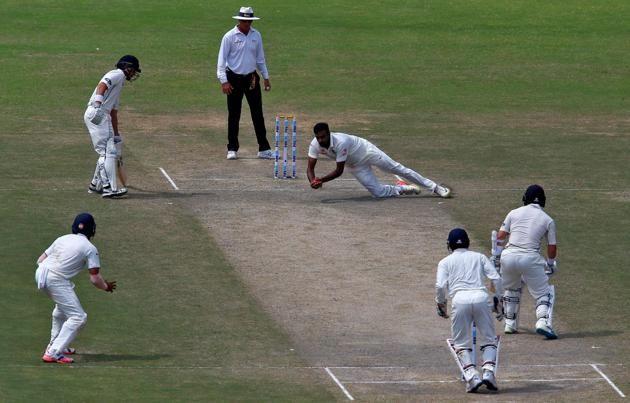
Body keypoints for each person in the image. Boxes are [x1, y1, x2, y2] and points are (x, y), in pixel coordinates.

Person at [35, 213, 116, 364]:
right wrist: (106, 287)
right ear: (92, 230)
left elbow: (40, 260)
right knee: (79, 317)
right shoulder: (90, 248)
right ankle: (53, 352)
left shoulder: (62, 238)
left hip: (40, 274)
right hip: (55, 279)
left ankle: (59, 344)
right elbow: (94, 278)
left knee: (61, 310)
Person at [436, 228, 503, 393]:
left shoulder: (445, 262)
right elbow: (496, 278)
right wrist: (497, 299)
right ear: (468, 242)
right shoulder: (479, 256)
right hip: (481, 298)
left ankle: (472, 376)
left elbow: (440, 286)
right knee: (489, 338)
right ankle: (488, 373)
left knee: (460, 343)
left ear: (449, 245)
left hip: (459, 300)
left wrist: (441, 305)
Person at [307, 122, 451, 198]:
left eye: (323, 137)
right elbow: (310, 168)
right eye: (318, 137)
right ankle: (402, 188)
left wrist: (321, 181)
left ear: (329, 133)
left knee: (397, 168)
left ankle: (435, 187)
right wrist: (313, 181)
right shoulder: (315, 144)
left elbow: (339, 171)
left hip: (367, 152)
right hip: (354, 165)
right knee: (378, 193)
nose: (321, 140)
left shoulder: (341, 142)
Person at [491, 184, 558, 339]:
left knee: (512, 289)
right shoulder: (548, 220)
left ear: (525, 199)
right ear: (543, 201)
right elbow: (552, 247)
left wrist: (496, 257)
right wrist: (550, 264)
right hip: (530, 258)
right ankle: (542, 321)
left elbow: (500, 237)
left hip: (508, 256)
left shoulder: (513, 213)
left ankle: (510, 324)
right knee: (544, 293)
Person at [217, 6, 274, 161]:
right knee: (234, 115)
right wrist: (224, 81)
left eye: (249, 21)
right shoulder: (229, 37)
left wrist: (266, 77)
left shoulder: (256, 36)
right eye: (245, 21)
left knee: (257, 113)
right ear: (239, 20)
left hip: (251, 79)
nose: (247, 24)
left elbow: (260, 58)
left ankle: (264, 148)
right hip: (233, 79)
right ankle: (232, 148)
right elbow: (221, 62)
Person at [84, 55, 141, 198]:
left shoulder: (119, 85)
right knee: (108, 153)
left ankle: (95, 184)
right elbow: (102, 85)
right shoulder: (117, 74)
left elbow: (114, 113)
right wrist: (98, 104)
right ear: (127, 67)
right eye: (133, 70)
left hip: (102, 115)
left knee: (107, 151)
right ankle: (110, 189)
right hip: (98, 113)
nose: (134, 73)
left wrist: (116, 135)